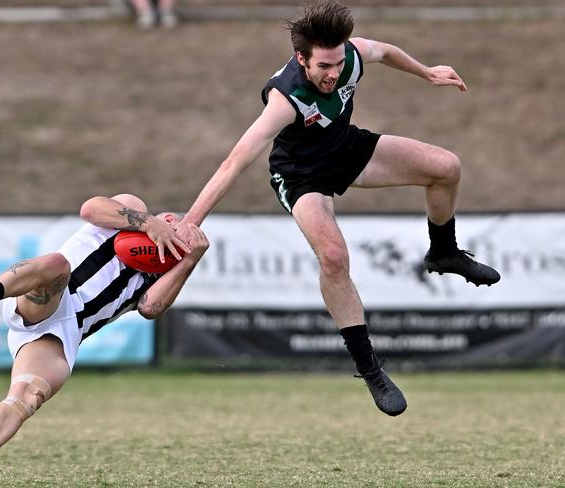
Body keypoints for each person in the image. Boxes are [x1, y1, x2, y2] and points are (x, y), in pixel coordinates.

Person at [176, 0, 500, 417]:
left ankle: (444, 252)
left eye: (336, 63)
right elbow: (234, 162)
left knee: (446, 167)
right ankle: (371, 370)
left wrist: (427, 72)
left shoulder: (351, 54)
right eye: (323, 67)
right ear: (301, 59)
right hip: (301, 175)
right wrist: (190, 222)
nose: (332, 74)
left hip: (346, 149)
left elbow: (383, 50)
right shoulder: (284, 99)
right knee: (333, 257)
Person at [0, 194, 208, 483]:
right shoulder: (130, 212)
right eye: (173, 220)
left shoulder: (156, 276)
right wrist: (148, 222)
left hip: (67, 332)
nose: (175, 227)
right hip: (56, 291)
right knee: (56, 264)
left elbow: (151, 308)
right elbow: (90, 208)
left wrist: (190, 258)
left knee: (28, 396)